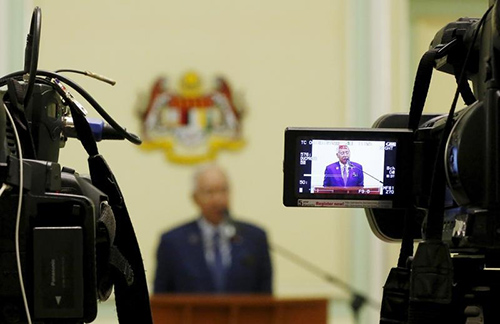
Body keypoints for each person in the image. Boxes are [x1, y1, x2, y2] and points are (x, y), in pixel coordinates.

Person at [154, 163, 273, 294]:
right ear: (195, 198)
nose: (218, 199)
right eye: (209, 192)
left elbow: (266, 298)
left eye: (223, 190)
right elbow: (161, 300)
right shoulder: (172, 242)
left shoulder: (255, 238)